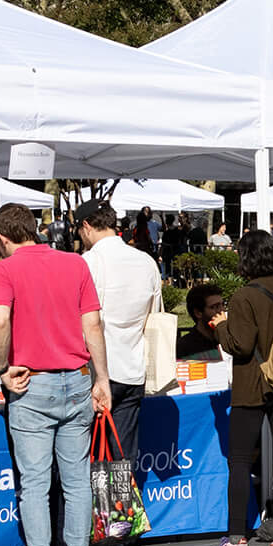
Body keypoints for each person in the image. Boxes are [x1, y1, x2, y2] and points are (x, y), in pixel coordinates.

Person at [0, 203, 110, 546]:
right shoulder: (74, 263)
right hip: (76, 380)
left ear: (2, 237)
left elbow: (0, 319)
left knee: (35, 485)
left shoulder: (3, 270)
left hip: (31, 384)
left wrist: (2, 366)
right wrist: (102, 378)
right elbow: (92, 323)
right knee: (76, 483)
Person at [208, 230, 273, 546]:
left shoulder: (243, 297)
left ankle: (236, 539)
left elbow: (240, 344)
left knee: (238, 460)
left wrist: (220, 325)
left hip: (252, 386)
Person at [76, 198, 164, 464]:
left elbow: (85, 321)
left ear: (87, 226)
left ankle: (96, 506)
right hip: (133, 369)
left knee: (89, 457)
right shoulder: (145, 261)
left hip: (95, 372)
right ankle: (120, 506)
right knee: (122, 458)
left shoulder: (89, 261)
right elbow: (155, 314)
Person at [176, 283, 226, 361]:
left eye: (223, 305)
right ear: (198, 313)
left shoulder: (228, 340)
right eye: (215, 307)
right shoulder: (185, 347)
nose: (221, 311)